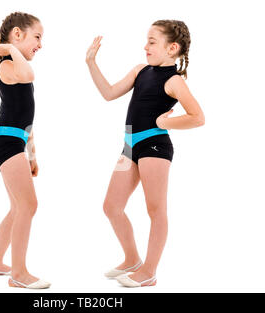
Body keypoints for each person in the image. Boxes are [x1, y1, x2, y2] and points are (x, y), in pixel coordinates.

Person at [86, 19, 205, 287]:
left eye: (152, 42)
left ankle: (149, 271)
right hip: (129, 146)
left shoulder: (174, 81)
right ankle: (132, 259)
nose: (145, 46)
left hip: (154, 145)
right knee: (111, 206)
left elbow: (198, 117)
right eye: (146, 41)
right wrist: (91, 63)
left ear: (172, 48)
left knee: (155, 209)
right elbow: (108, 93)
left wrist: (166, 123)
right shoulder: (140, 71)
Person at [0, 12, 50, 289]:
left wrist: (32, 154)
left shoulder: (18, 69)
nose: (41, 44)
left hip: (14, 141)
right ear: (18, 34)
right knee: (28, 205)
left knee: (17, 208)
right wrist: (10, 49)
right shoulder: (9, 66)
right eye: (37, 37)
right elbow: (29, 72)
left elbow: (26, 119)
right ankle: (19, 274)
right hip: (6, 141)